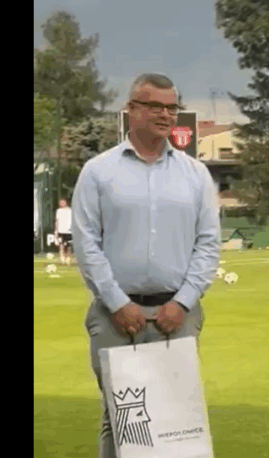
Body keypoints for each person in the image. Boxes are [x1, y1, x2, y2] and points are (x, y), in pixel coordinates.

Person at [71, 73, 221, 458]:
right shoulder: (98, 172)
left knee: (177, 419)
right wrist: (117, 303)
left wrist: (183, 302)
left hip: (178, 316)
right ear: (131, 109)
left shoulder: (195, 175)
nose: (166, 115)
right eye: (155, 106)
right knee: (121, 419)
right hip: (115, 317)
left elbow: (208, 244)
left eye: (172, 108)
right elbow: (86, 244)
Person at [55, 199, 73, 265]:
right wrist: (56, 230)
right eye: (61, 203)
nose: (62, 204)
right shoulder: (58, 211)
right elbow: (57, 221)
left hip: (69, 231)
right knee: (61, 244)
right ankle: (62, 257)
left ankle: (68, 257)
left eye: (63, 202)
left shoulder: (70, 211)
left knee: (69, 245)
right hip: (61, 230)